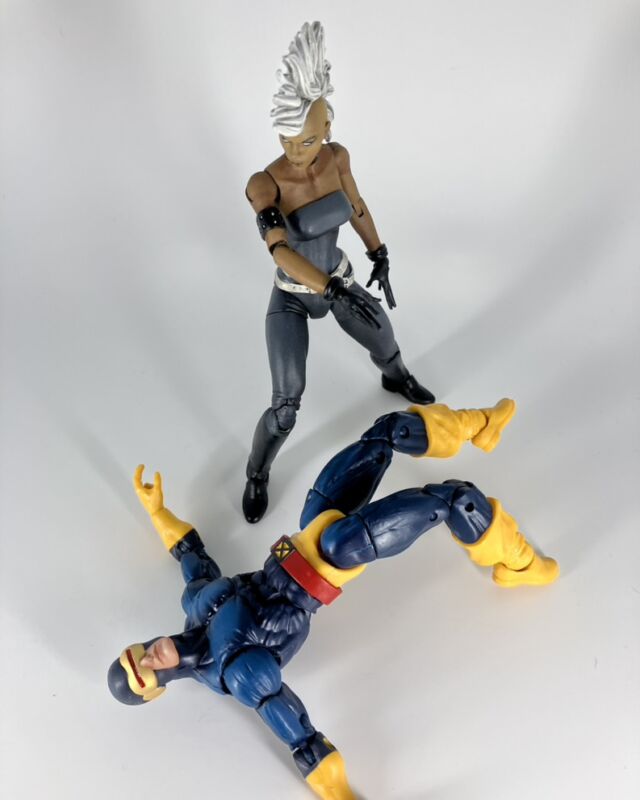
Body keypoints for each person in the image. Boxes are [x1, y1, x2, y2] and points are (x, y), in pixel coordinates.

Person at [108, 398, 558, 800]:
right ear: (158, 689)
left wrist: (157, 512)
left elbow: (190, 552)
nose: (150, 656)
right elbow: (300, 737)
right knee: (455, 498)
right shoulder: (235, 670)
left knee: (386, 431)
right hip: (330, 558)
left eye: (138, 652)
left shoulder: (195, 605)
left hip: (307, 531)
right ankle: (523, 564)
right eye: (145, 671)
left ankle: (480, 425)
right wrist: (340, 795)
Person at [243, 21, 435, 523]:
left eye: (306, 140)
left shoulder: (337, 157)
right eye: (286, 140)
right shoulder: (264, 183)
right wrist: (328, 288)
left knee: (387, 345)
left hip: (340, 279)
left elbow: (356, 204)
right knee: (286, 405)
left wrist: (379, 251)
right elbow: (279, 251)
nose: (294, 152)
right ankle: (257, 472)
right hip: (294, 294)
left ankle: (396, 380)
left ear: (326, 128)